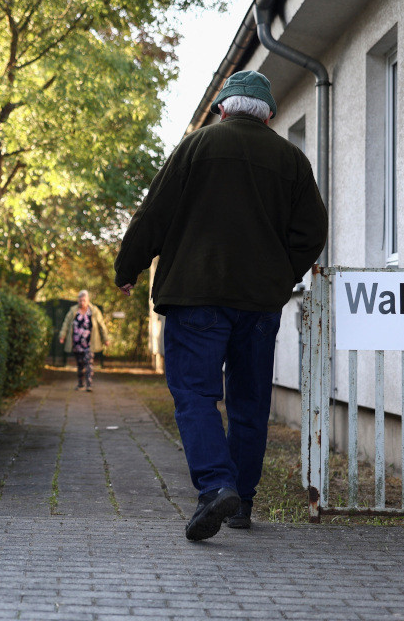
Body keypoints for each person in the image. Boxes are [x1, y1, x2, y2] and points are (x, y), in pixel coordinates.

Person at [113, 70, 327, 541]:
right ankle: (242, 502)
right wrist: (277, 277)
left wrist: (128, 267)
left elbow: (155, 212)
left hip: (196, 297)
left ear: (223, 107)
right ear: (269, 114)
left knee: (194, 393)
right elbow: (313, 231)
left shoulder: (197, 146)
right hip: (258, 304)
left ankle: (215, 487)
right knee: (250, 401)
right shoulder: (292, 160)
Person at [56, 290, 109, 392]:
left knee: (89, 363)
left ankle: (89, 385)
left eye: (84, 300)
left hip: (90, 342)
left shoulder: (94, 310)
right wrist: (62, 335)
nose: (82, 302)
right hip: (77, 342)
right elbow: (66, 324)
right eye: (80, 300)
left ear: (88, 300)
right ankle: (80, 384)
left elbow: (101, 325)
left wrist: (105, 339)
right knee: (80, 364)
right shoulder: (73, 311)